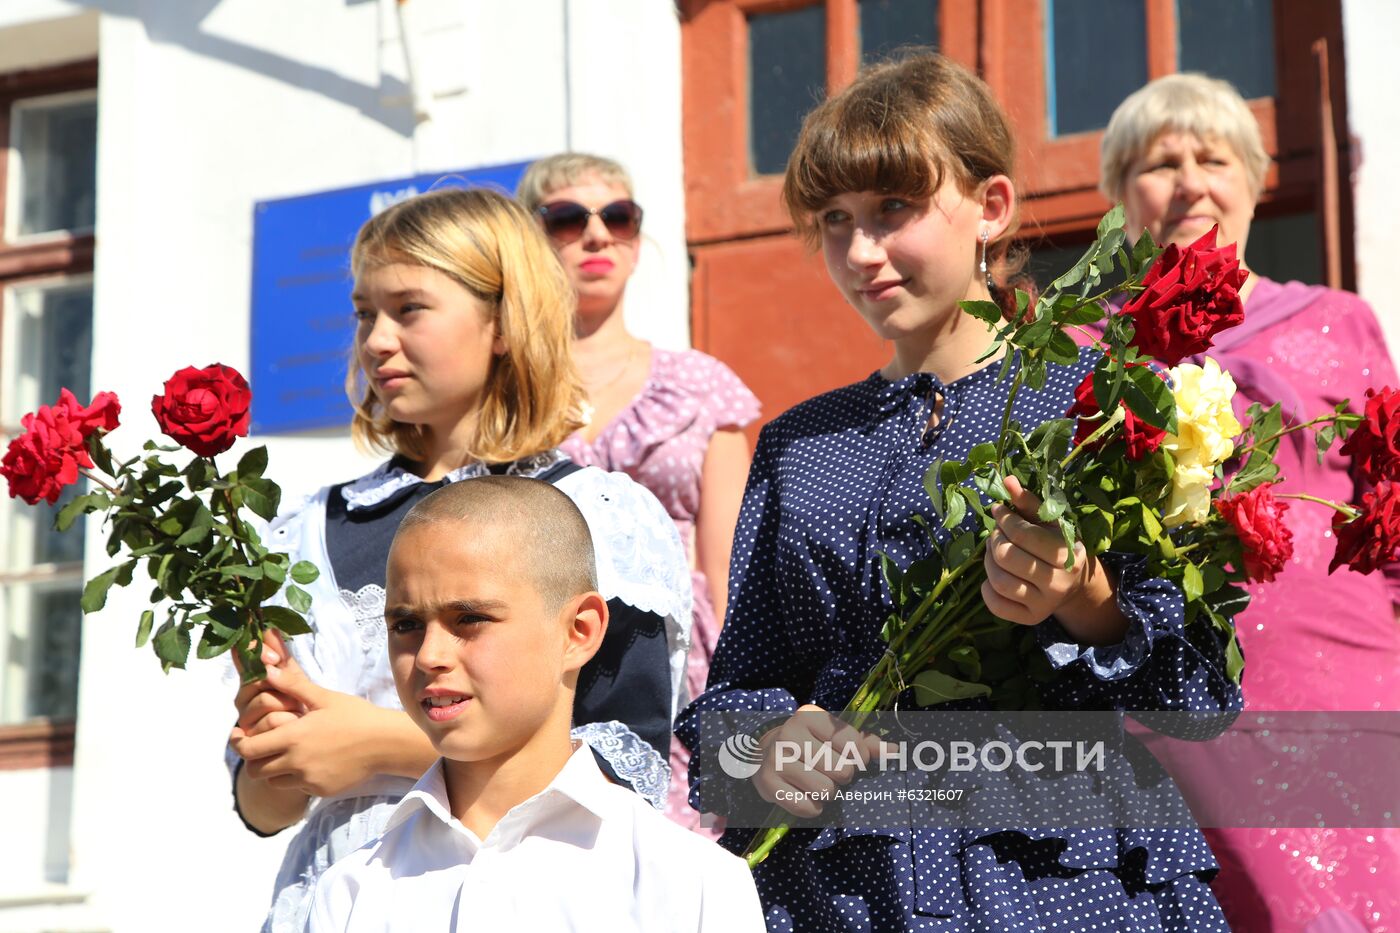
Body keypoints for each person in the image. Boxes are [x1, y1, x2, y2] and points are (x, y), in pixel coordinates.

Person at [676, 53, 1243, 931]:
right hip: (840, 892)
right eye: (835, 219)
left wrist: (1087, 598)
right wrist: (771, 747)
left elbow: (1198, 694)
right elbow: (736, 693)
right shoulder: (799, 444)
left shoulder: (1100, 402)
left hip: (1059, 884)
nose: (861, 251)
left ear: (992, 206)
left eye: (893, 208)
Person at [225, 187, 692, 932]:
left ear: (502, 321)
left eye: (409, 309)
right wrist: (274, 757)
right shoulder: (307, 527)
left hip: (526, 894)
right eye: (364, 314)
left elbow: (627, 759)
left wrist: (379, 745)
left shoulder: (596, 515)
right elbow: (263, 806)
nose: (377, 340)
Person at [1101, 72, 1400, 931]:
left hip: (1351, 681)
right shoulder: (1091, 345)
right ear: (1119, 194)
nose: (1191, 183)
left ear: (1256, 182)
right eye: (1160, 164)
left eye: (1214, 159)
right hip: (1179, 698)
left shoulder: (1338, 319)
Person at [306, 477, 764, 931]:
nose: (429, 655)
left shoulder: (691, 885)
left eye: (469, 618)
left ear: (579, 631)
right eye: (406, 625)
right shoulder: (351, 891)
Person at [517, 153, 760, 832]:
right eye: (568, 218)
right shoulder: (505, 394)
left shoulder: (699, 384)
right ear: (529, 239)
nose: (597, 235)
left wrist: (740, 716)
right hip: (544, 664)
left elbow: (733, 573)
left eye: (618, 216)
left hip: (684, 668)